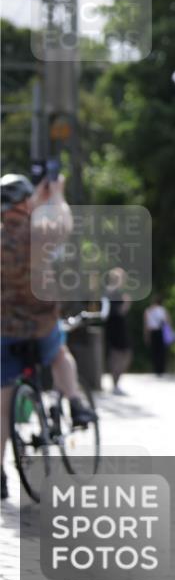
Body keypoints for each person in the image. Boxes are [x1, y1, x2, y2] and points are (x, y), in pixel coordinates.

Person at [1, 173, 96, 501]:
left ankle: (0, 475)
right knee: (58, 354)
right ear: (25, 201)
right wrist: (56, 196)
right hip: (40, 325)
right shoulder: (37, 232)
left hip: (4, 330)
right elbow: (64, 225)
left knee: (2, 405)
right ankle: (74, 402)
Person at [101, 267, 133, 395]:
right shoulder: (113, 293)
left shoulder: (111, 292)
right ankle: (115, 384)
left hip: (117, 326)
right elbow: (116, 312)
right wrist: (126, 304)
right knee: (118, 355)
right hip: (115, 327)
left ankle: (116, 383)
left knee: (122, 355)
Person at [143, 295, 171, 376]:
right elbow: (167, 322)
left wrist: (146, 336)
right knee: (161, 352)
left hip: (152, 332)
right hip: (160, 332)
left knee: (154, 351)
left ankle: (156, 370)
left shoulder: (148, 310)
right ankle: (161, 370)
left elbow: (146, 325)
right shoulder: (162, 310)